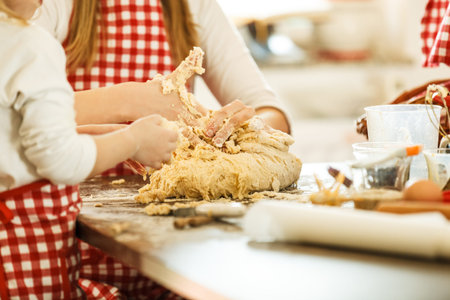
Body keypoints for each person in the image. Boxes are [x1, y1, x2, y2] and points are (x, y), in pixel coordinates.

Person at [0, 0, 179, 297]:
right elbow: (60, 161)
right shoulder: (30, 45)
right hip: (20, 250)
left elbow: (11, 141)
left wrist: (97, 135)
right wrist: (132, 140)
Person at [36, 0, 291, 165]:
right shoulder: (49, 5)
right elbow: (16, 116)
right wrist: (130, 101)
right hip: (72, 205)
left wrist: (243, 127)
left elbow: (273, 116)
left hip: (169, 214)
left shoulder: (195, 6)